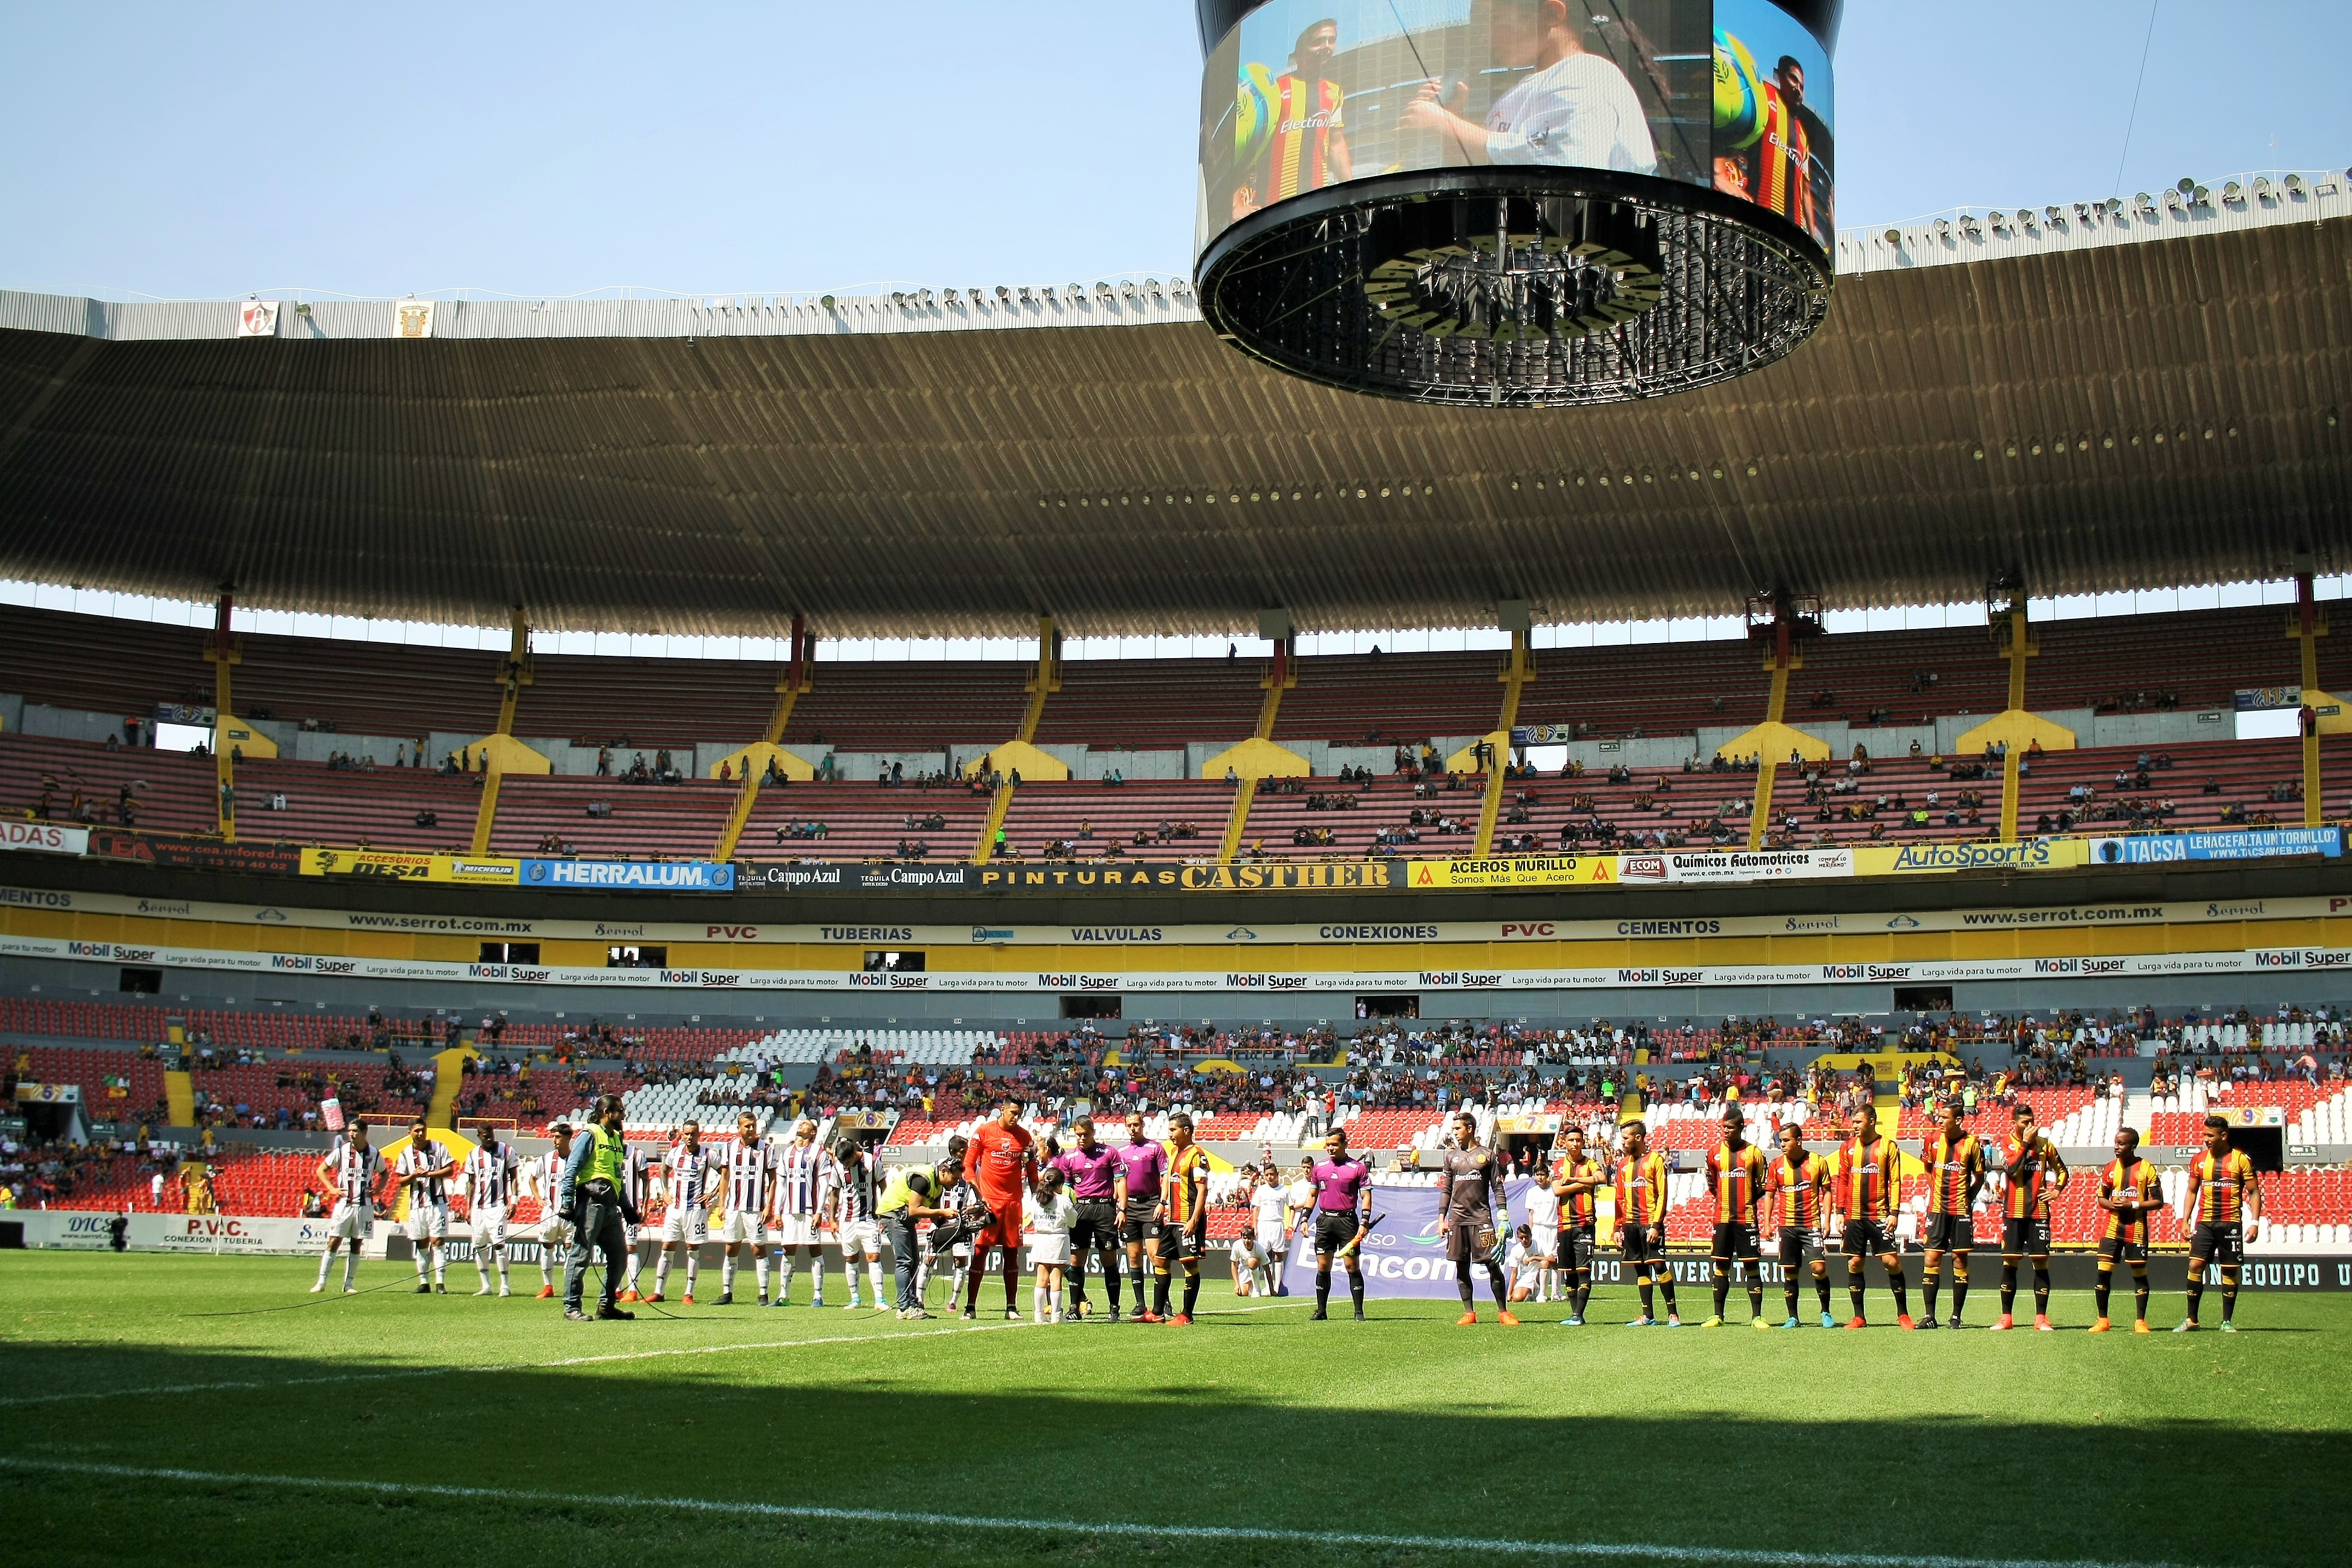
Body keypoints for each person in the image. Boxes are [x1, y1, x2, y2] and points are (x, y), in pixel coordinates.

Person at [1399, 0, 1655, 175]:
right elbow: (1483, 167)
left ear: (1551, 14)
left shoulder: (1589, 73)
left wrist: (1445, 123)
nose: (1484, 36)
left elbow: (1562, 165)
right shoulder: (1517, 93)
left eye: (1493, 19)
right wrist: (1450, 121)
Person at [1233, 18, 1352, 221]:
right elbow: (1244, 147)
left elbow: (1337, 144)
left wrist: (1352, 193)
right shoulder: (1274, 90)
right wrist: (1235, 205)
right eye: (1318, 41)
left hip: (1318, 205)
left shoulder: (1334, 92)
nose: (1326, 47)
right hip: (1272, 207)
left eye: (1331, 40)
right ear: (1300, 49)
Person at [2177, 1114, 2262, 1332]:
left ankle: (2227, 1321)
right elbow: (2192, 1190)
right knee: (2195, 1265)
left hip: (2230, 1223)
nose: (2206, 1139)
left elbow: (2253, 1191)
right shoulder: (2199, 1160)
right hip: (2204, 1222)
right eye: (2204, 1134)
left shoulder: (2241, 1160)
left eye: (2210, 1135)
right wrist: (2185, 1219)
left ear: (2223, 1136)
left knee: (2230, 1270)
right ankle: (2192, 1320)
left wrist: (2254, 1222)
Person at [557, 1094, 638, 1322]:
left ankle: (606, 1305)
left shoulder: (616, 1139)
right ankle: (572, 1306)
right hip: (591, 1201)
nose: (623, 1115)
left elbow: (617, 1176)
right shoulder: (589, 1134)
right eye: (620, 1111)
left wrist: (627, 1207)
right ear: (607, 1113)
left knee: (620, 1255)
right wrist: (567, 1202)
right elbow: (572, 1168)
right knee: (581, 1254)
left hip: (611, 1206)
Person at [1832, 1103, 1912, 1330]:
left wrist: (1894, 1212)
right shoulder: (1846, 1147)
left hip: (1879, 1214)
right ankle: (1859, 1317)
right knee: (1855, 1263)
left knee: (1891, 1261)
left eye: (1858, 1122)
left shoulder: (1888, 1147)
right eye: (1853, 1122)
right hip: (1854, 1216)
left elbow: (1895, 1181)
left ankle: (1903, 1315)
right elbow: (1843, 1180)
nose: (1853, 1126)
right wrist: (1840, 1212)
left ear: (1872, 1121)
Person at [1436, 1111, 1516, 1326]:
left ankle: (1503, 1312)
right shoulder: (1451, 1156)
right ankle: (1469, 1312)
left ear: (1469, 1129)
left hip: (1482, 1219)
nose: (1454, 1133)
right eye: (1453, 1129)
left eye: (1458, 1129)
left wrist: (1503, 1214)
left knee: (1492, 1264)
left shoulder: (1487, 1155)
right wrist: (1442, 1218)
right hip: (1458, 1220)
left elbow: (1497, 1186)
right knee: (1461, 1266)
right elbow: (1446, 1189)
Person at [1993, 1103, 2067, 1331]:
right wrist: (2025, 1144)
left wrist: (2056, 1190)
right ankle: (2006, 1318)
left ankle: (2041, 1318)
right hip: (2013, 1212)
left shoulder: (2046, 1146)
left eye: (2032, 1121)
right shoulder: (2003, 1142)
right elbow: (2012, 1169)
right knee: (2010, 1263)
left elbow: (2063, 1171)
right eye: (2025, 1122)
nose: (2031, 1126)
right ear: (2014, 1123)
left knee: (2041, 1263)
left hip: (2039, 1211)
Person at [964, 1098, 1038, 1322]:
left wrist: (1038, 1200)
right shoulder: (984, 1132)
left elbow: (1033, 1172)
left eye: (1020, 1114)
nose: (1016, 1117)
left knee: (1012, 1254)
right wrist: (978, 1193)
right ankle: (970, 1307)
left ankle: (1011, 1307)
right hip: (989, 1202)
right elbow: (969, 1164)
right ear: (1003, 1110)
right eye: (1013, 1112)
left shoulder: (1025, 1137)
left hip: (1013, 1203)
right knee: (979, 1253)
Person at [1919, 1097, 1986, 1330]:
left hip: (1960, 1210)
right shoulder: (1932, 1140)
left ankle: (1956, 1316)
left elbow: (1980, 1176)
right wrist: (1934, 1188)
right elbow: (1927, 1167)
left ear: (1958, 1120)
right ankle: (1929, 1316)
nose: (1940, 1120)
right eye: (1939, 1116)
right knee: (1932, 1258)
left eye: (1945, 1117)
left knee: (1959, 1258)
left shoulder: (1972, 1144)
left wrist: (1968, 1196)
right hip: (1937, 1209)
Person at [1703, 1105, 1771, 1328]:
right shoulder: (1713, 1153)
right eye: (1724, 1127)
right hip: (1721, 1218)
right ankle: (1718, 1315)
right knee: (1721, 1266)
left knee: (1751, 1265)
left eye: (1730, 1128)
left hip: (1746, 1217)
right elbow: (1712, 1183)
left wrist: (1747, 1200)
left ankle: (1757, 1317)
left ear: (1741, 1127)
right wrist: (1724, 1199)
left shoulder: (1754, 1153)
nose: (1726, 1131)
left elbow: (1764, 1184)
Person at [1049, 1117, 1123, 1321]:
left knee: (1109, 1258)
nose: (1081, 1138)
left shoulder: (1109, 1153)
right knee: (1076, 1259)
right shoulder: (1069, 1158)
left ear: (1093, 1132)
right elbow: (1065, 1188)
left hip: (1104, 1208)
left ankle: (1114, 1307)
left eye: (1085, 1134)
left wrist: (1122, 1208)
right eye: (1078, 1134)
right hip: (1080, 1209)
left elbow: (1120, 1179)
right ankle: (1075, 1307)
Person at [2092, 1127, 2164, 1333]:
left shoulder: (2146, 1169)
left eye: (2122, 1144)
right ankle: (2103, 1320)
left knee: (2139, 1275)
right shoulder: (2110, 1168)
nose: (2117, 1147)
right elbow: (2101, 1198)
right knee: (2103, 1274)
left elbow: (2158, 1201)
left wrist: (2132, 1205)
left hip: (2137, 1228)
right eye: (2116, 1143)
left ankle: (2140, 1321)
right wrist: (2112, 1205)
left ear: (2133, 1146)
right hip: (2112, 1228)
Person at [1765, 1121, 1834, 1328]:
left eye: (1786, 1140)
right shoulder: (1776, 1165)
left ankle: (1825, 1312)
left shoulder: (1817, 1162)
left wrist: (1827, 1219)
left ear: (1799, 1140)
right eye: (1780, 1140)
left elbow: (1827, 1191)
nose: (1782, 1144)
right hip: (1786, 1226)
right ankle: (1793, 1317)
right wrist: (1767, 1223)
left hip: (1810, 1223)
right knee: (1790, 1271)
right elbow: (1769, 1195)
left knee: (1819, 1267)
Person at [879, 1154, 961, 1320]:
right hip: (893, 1214)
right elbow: (914, 1210)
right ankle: (904, 1307)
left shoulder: (938, 1186)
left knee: (915, 1261)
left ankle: (912, 1304)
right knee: (905, 1261)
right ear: (944, 1172)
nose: (956, 1183)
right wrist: (943, 1212)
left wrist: (953, 1224)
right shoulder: (923, 1179)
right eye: (955, 1178)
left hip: (904, 1217)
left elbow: (935, 1216)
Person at [1614, 1120, 1678, 1327]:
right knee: (1641, 1270)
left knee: (1659, 1266)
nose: (1622, 1142)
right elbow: (1619, 1198)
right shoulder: (1623, 1165)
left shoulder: (1655, 1161)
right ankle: (1648, 1315)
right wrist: (1617, 1227)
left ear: (1638, 1138)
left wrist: (1656, 1225)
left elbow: (1662, 1195)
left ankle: (1673, 1314)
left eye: (1626, 1138)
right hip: (1630, 1225)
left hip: (1649, 1223)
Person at [310, 1121, 383, 1293]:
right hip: (344, 1204)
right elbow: (322, 1170)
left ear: (365, 1132)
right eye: (350, 1131)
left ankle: (349, 1284)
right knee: (334, 1240)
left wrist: (379, 1189)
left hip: (364, 1206)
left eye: (355, 1131)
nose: (351, 1134)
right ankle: (322, 1281)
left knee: (357, 1244)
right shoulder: (341, 1152)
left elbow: (385, 1172)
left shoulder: (373, 1153)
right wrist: (332, 1189)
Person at [1307, 1128, 1372, 1321]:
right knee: (1323, 1266)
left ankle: (1358, 1312)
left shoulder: (1357, 1168)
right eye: (1328, 1144)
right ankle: (1321, 1311)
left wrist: (1364, 1222)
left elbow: (1366, 1196)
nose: (1331, 1148)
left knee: (1352, 1267)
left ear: (1345, 1144)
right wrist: (1304, 1218)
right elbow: (1312, 1195)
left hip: (1347, 1221)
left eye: (1335, 1144)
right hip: (1325, 1221)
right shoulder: (1319, 1168)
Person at [713, 1112, 775, 1306]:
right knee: (731, 1249)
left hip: (755, 1208)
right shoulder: (730, 1147)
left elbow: (773, 1179)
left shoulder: (766, 1148)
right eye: (747, 1126)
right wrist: (721, 1204)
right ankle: (727, 1293)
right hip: (733, 1207)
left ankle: (763, 1294)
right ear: (739, 1127)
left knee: (758, 1250)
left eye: (753, 1125)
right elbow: (725, 1177)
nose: (751, 1129)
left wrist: (769, 1206)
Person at [1155, 1112, 1210, 1324]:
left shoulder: (1196, 1154)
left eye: (1173, 1130)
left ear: (1186, 1131)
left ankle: (1186, 1315)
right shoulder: (1175, 1153)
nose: (1170, 1134)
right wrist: (1162, 1202)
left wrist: (1194, 1220)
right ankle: (1157, 1313)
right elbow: (1169, 1180)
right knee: (1160, 1260)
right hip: (1173, 1219)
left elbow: (1202, 1190)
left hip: (1188, 1219)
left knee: (1189, 1265)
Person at [769, 1118, 830, 1307]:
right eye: (802, 1123)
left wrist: (820, 1211)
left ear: (813, 1133)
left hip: (810, 1210)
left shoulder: (818, 1152)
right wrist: (777, 1211)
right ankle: (783, 1295)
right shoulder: (787, 1152)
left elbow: (824, 1184)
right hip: (789, 1210)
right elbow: (780, 1184)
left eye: (807, 1125)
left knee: (814, 1248)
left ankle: (818, 1295)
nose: (802, 1124)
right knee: (788, 1249)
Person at [1114, 1111, 1168, 1320]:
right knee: (1134, 1256)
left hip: (1151, 1205)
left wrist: (1162, 1202)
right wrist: (1120, 1206)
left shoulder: (1155, 1148)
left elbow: (1165, 1178)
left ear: (1143, 1125)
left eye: (1136, 1124)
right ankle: (1140, 1303)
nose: (1133, 1128)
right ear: (1126, 1127)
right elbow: (1118, 1182)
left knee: (1155, 1255)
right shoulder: (1122, 1152)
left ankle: (1162, 1302)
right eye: (1129, 1125)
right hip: (1131, 1207)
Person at [651, 1119, 712, 1304]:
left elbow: (726, 1172)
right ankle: (659, 1292)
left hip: (695, 1211)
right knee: (667, 1248)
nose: (689, 1137)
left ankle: (688, 1293)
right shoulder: (675, 1153)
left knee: (692, 1251)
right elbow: (664, 1170)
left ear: (699, 1135)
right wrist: (666, 1192)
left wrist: (712, 1192)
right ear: (682, 1134)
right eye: (686, 1134)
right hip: (675, 1209)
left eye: (693, 1134)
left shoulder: (708, 1154)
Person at [1550, 1125, 1604, 1325]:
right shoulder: (1558, 1165)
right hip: (1564, 1225)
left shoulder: (1590, 1163)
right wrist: (1585, 1183)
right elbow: (1556, 1190)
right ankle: (1575, 1315)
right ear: (1564, 1142)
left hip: (1585, 1224)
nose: (1575, 1143)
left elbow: (1602, 1178)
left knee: (1583, 1270)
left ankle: (1578, 1315)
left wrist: (1573, 1179)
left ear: (1583, 1142)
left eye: (1578, 1140)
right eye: (1571, 1140)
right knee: (1568, 1271)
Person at [396, 1119, 454, 1294]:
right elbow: (401, 1180)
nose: (420, 1134)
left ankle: (440, 1283)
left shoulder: (439, 1147)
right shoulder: (405, 1153)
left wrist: (428, 1174)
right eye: (417, 1131)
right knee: (421, 1243)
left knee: (437, 1241)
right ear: (410, 1133)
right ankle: (424, 1282)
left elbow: (450, 1170)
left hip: (438, 1203)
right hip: (417, 1205)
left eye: (423, 1130)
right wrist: (414, 1175)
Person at [830, 1134, 888, 1311]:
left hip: (869, 1219)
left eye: (847, 1163)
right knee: (851, 1259)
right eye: (843, 1164)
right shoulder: (838, 1167)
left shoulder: (872, 1161)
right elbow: (834, 1193)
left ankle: (880, 1299)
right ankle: (855, 1298)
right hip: (847, 1221)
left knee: (874, 1257)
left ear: (855, 1154)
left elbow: (884, 1187)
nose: (845, 1166)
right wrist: (832, 1220)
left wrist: (884, 1215)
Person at [463, 1125, 521, 1298]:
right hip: (478, 1208)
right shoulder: (473, 1155)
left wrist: (514, 1200)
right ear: (479, 1136)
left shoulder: (506, 1150)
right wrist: (467, 1206)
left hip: (499, 1206)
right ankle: (486, 1285)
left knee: (499, 1244)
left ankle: (505, 1285)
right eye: (485, 1136)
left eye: (491, 1135)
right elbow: (471, 1182)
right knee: (479, 1245)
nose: (489, 1139)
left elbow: (514, 1177)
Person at [1025, 1166, 1077, 1322]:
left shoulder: (1036, 1199)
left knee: (1041, 1278)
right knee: (1056, 1278)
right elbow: (1073, 1222)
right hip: (1058, 1239)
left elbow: (1031, 1219)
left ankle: (1038, 1315)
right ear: (1060, 1185)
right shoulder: (1063, 1200)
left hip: (1041, 1239)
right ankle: (1056, 1315)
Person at [534, 1123, 575, 1300]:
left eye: (558, 1137)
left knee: (570, 1249)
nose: (554, 1141)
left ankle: (568, 1288)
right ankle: (548, 1287)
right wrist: (537, 1198)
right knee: (547, 1247)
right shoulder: (546, 1159)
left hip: (571, 1214)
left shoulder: (577, 1159)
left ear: (567, 1138)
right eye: (553, 1137)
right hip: (550, 1212)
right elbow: (532, 1178)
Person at [1523, 1146, 1562, 1305]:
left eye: (1542, 1175)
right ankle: (1541, 1293)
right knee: (1541, 1261)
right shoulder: (1532, 1192)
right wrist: (1531, 1231)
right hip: (1538, 1228)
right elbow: (1531, 1213)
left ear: (1548, 1176)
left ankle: (1556, 1292)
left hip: (1552, 1228)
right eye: (1537, 1175)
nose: (1540, 1178)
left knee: (1554, 1260)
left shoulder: (1554, 1191)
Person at [1249, 1163, 1291, 1296]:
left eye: (1272, 1174)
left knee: (1278, 1254)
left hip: (1277, 1224)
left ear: (1277, 1175)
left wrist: (1289, 1223)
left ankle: (1277, 1286)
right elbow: (1256, 1209)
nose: (1269, 1177)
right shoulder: (1261, 1190)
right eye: (1267, 1175)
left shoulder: (1284, 1191)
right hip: (1263, 1224)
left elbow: (1292, 1207)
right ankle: (1267, 1287)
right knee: (1264, 1256)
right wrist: (1255, 1227)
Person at [1229, 1229, 1267, 1297]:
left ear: (1254, 1238)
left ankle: (1257, 1289)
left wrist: (1272, 1289)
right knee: (1243, 1293)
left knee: (1251, 1261)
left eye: (1249, 1239)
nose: (1247, 1241)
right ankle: (1251, 1286)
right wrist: (1237, 1285)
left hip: (1258, 1268)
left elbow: (1267, 1267)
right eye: (1245, 1238)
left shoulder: (1259, 1249)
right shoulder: (1237, 1245)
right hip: (1244, 1269)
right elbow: (1234, 1265)